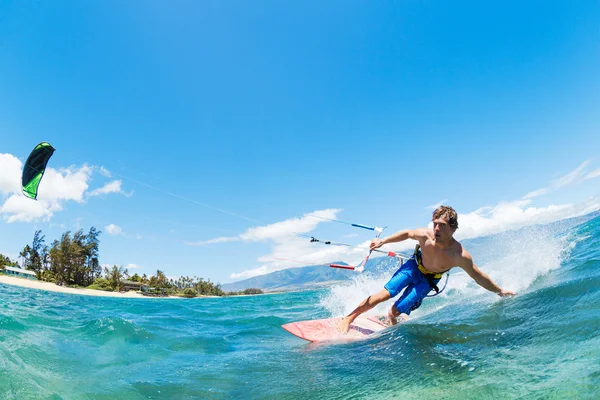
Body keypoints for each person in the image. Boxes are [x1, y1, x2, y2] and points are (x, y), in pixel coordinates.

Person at [338, 205, 515, 333]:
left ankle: (394, 324)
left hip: (429, 280)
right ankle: (349, 318)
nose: (436, 228)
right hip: (414, 267)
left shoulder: (459, 255)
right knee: (383, 295)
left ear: (453, 229)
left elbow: (478, 276)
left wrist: (499, 291)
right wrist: (383, 241)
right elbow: (407, 233)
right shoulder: (425, 236)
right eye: (435, 223)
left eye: (442, 225)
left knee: (394, 311)